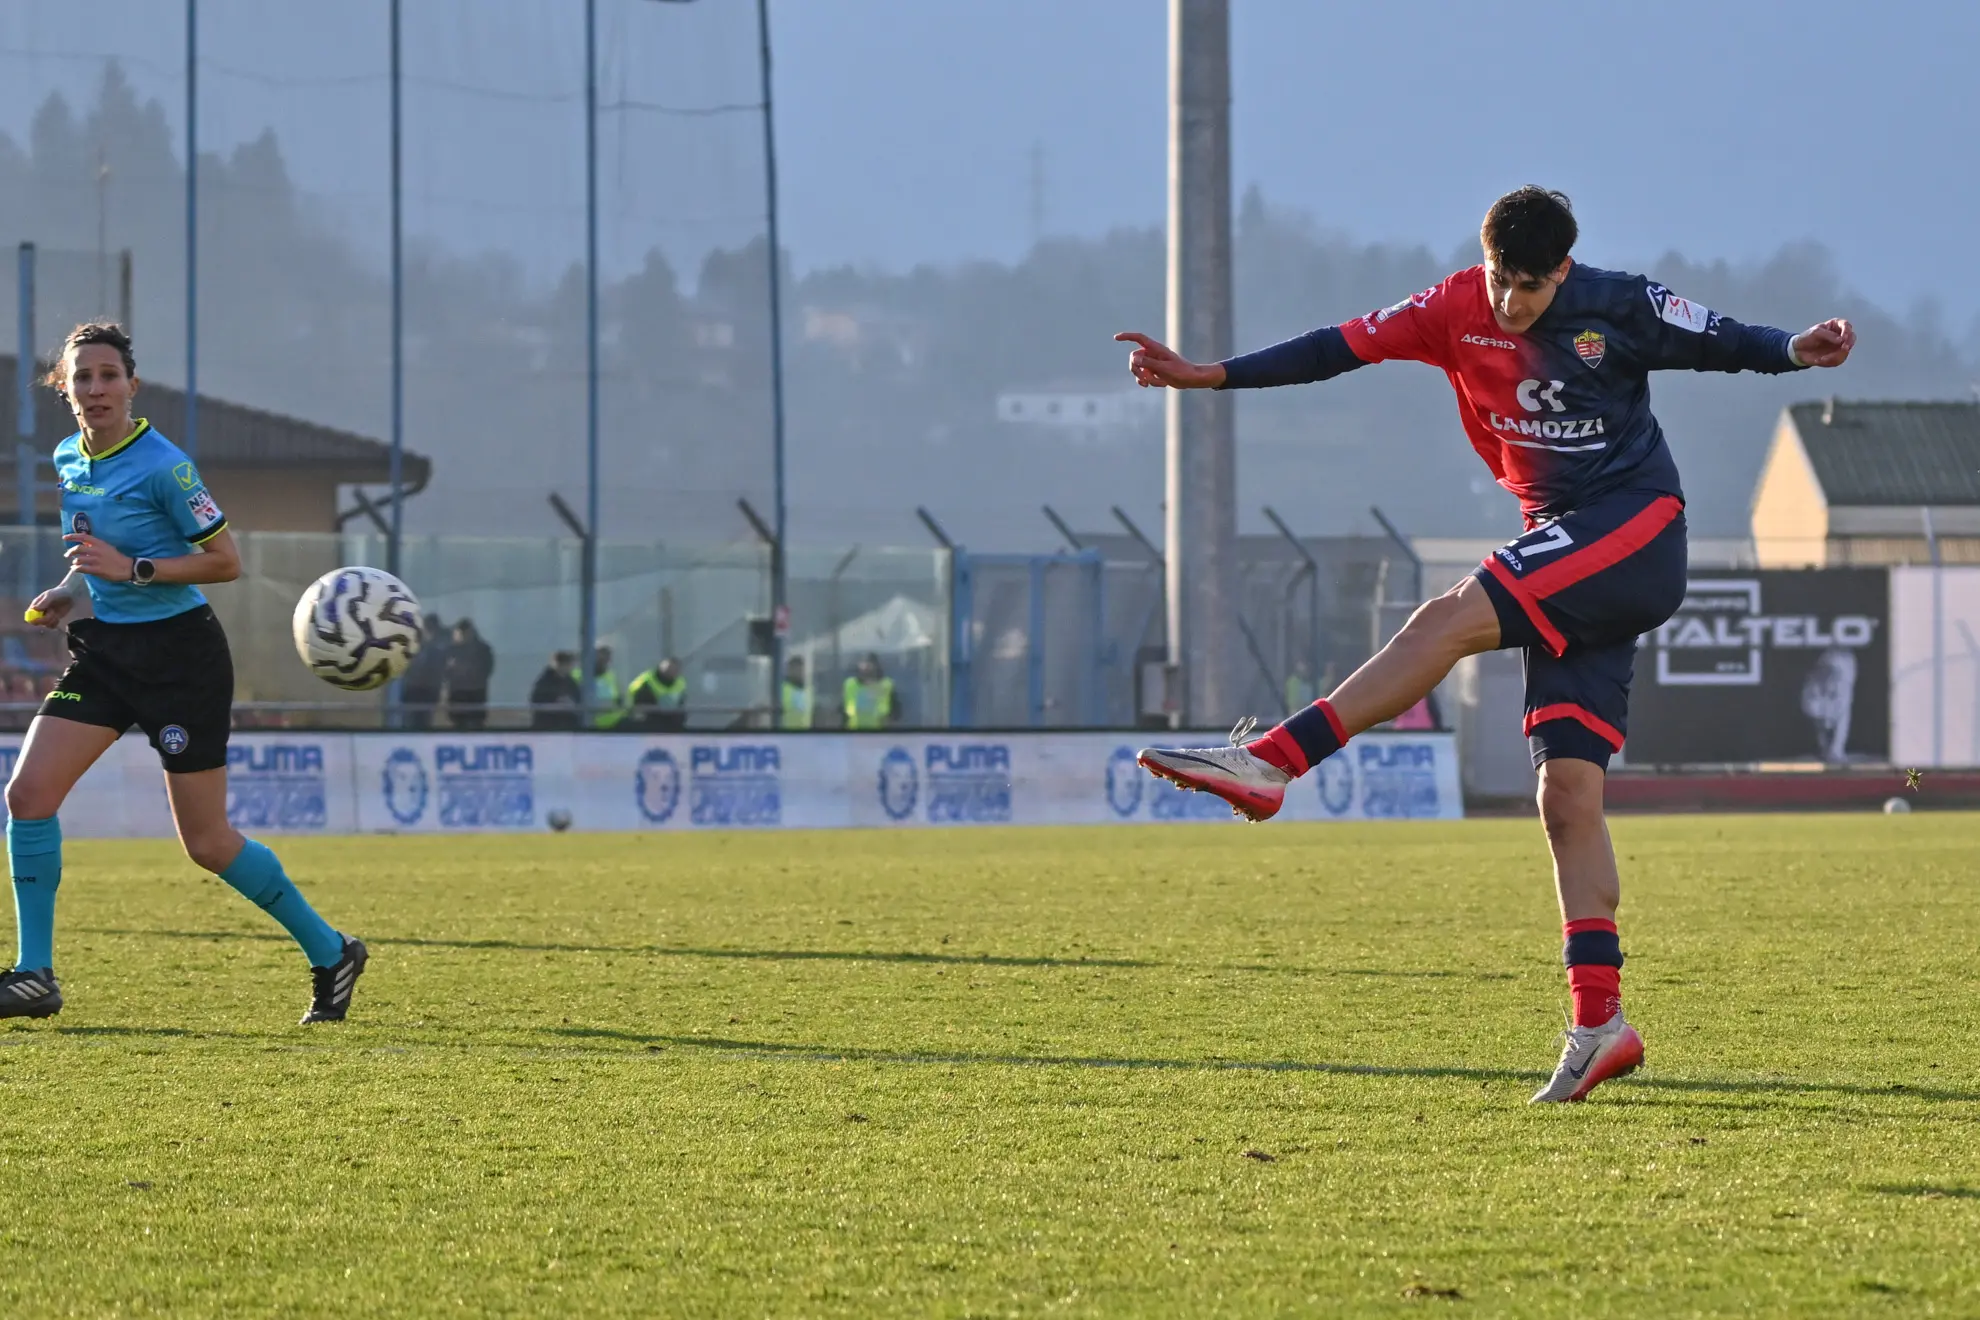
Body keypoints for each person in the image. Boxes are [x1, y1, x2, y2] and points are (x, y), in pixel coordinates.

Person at [1118, 187, 1855, 1104]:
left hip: (1633, 528)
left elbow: (1723, 339)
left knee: (1446, 618)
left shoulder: (1619, 305)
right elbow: (1335, 349)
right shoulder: (1451, 308)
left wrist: (1793, 349)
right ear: (1486, 262)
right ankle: (1601, 1025)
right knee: (1565, 794)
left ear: (1565, 269)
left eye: (1531, 289)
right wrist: (1210, 375)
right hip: (1566, 549)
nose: (1512, 304)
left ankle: (1276, 759)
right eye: (1503, 282)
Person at [4, 322, 366, 1023]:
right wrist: (69, 592)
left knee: (206, 843)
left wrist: (134, 570)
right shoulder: (67, 458)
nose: (97, 388)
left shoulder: (165, 466)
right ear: (64, 389)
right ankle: (33, 974)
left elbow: (226, 561)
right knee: (28, 794)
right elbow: (94, 555)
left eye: (109, 375)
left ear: (132, 386)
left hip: (181, 658)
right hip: (107, 652)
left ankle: (332, 950)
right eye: (82, 377)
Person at [442, 619, 494, 730]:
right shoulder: (452, 650)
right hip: (457, 699)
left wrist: (462, 670)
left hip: (475, 697)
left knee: (475, 726)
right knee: (457, 726)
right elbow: (444, 673)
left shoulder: (483, 650)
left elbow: (485, 671)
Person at [398, 611, 446, 728]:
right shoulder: (414, 649)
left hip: (425, 697)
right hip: (413, 696)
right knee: (410, 725)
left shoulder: (437, 652)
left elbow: (438, 675)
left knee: (423, 727)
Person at [626, 656, 687, 732]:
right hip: (650, 722)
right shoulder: (646, 681)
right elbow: (640, 705)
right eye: (669, 668)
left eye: (675, 669)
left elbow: (681, 703)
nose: (672, 671)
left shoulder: (680, 682)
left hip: (672, 722)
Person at [842, 653, 899, 730]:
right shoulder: (850, 685)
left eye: (869, 663)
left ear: (876, 666)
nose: (866, 666)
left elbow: (894, 714)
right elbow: (841, 714)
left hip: (880, 736)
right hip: (853, 735)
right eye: (863, 663)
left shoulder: (886, 685)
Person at [528, 649, 581, 730]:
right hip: (548, 727)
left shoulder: (571, 682)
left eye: (569, 663)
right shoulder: (544, 682)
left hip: (568, 727)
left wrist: (572, 704)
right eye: (564, 663)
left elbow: (579, 701)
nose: (567, 667)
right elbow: (536, 702)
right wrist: (556, 703)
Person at [591, 644, 624, 729]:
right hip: (590, 726)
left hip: (614, 724)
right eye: (600, 658)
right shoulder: (578, 676)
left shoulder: (611, 676)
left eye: (606, 659)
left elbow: (618, 699)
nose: (603, 662)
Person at [781, 655, 813, 730]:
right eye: (795, 669)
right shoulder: (782, 689)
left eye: (801, 669)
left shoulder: (809, 689)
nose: (799, 672)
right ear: (789, 671)